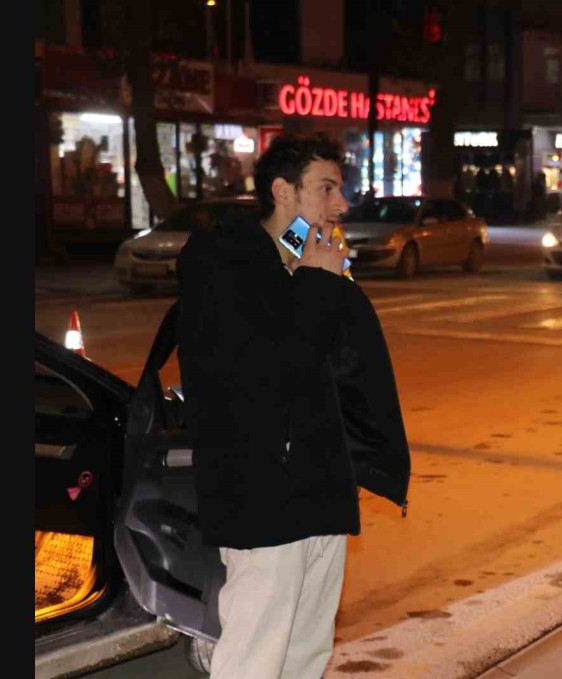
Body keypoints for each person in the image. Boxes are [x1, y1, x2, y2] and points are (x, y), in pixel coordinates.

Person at [177, 132, 410, 679]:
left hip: (321, 493)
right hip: (262, 500)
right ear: (283, 191)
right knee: (256, 657)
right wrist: (316, 285)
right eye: (326, 188)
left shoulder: (316, 268)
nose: (341, 204)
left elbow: (349, 376)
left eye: (340, 189)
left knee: (306, 655)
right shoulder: (223, 267)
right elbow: (264, 372)